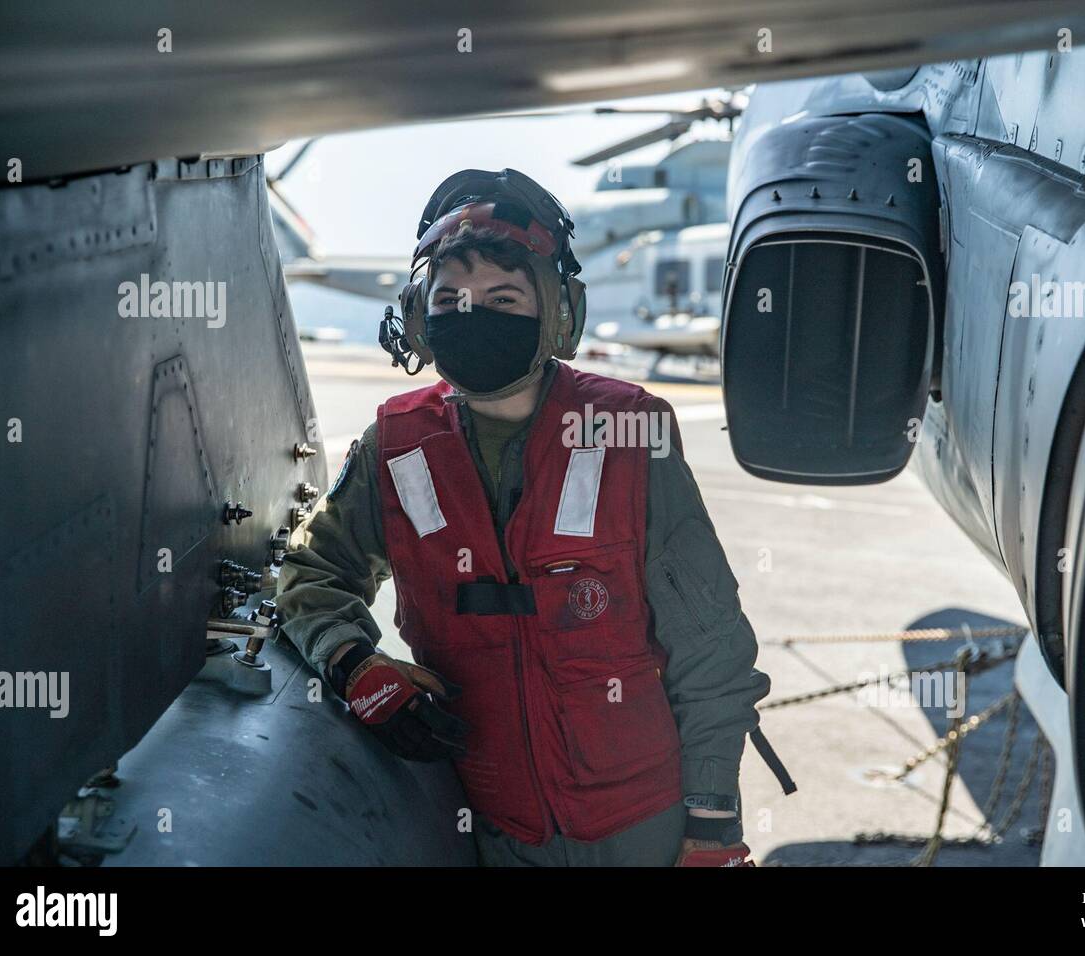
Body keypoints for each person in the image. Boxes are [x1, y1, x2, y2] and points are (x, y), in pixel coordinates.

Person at [277, 168, 781, 866]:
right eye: (449, 297)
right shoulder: (394, 447)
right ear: (421, 315)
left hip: (644, 829)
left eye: (502, 296)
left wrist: (713, 824)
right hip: (494, 829)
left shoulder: (631, 431)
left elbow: (710, 648)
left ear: (555, 311)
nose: (471, 313)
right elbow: (313, 568)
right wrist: (352, 662)